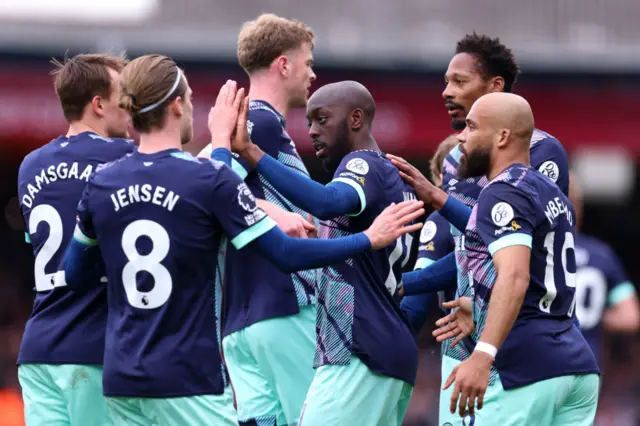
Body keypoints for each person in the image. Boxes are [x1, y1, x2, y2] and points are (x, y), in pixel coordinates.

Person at [60, 56, 423, 426]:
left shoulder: (102, 182)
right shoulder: (207, 178)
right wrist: (365, 239)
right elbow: (284, 251)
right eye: (189, 98)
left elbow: (74, 274)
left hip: (123, 375)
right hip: (187, 376)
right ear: (177, 105)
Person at [395, 33, 572, 425]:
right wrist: (405, 283)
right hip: (463, 337)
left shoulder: (542, 152)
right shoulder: (459, 158)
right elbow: (468, 248)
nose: (446, 91)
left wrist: (438, 204)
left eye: (459, 82)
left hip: (514, 343)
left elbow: (519, 254)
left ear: (495, 86)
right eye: (445, 81)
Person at [222, 80, 420, 426]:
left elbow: (326, 203)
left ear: (356, 118)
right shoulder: (386, 180)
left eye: (322, 119)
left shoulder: (364, 165)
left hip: (360, 348)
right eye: (310, 121)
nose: (312, 131)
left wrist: (253, 153)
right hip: (377, 345)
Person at [200, 14, 320, 425]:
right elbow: (202, 184)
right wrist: (271, 209)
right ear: (283, 65)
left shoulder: (256, 124)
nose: (313, 74)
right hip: (284, 308)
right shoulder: (260, 121)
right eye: (307, 63)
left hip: (241, 322)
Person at [17, 53, 133, 426]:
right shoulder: (126, 158)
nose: (132, 107)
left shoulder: (30, 165)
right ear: (98, 104)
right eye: (124, 96)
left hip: (37, 350)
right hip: (93, 348)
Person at [570, 174, 640, 365]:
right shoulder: (602, 255)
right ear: (579, 209)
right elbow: (630, 317)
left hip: (545, 366)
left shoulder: (537, 252)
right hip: (588, 364)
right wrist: (594, 316)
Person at [401, 135, 457, 334]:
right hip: (464, 350)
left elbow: (415, 306)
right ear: (442, 178)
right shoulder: (441, 221)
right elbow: (415, 305)